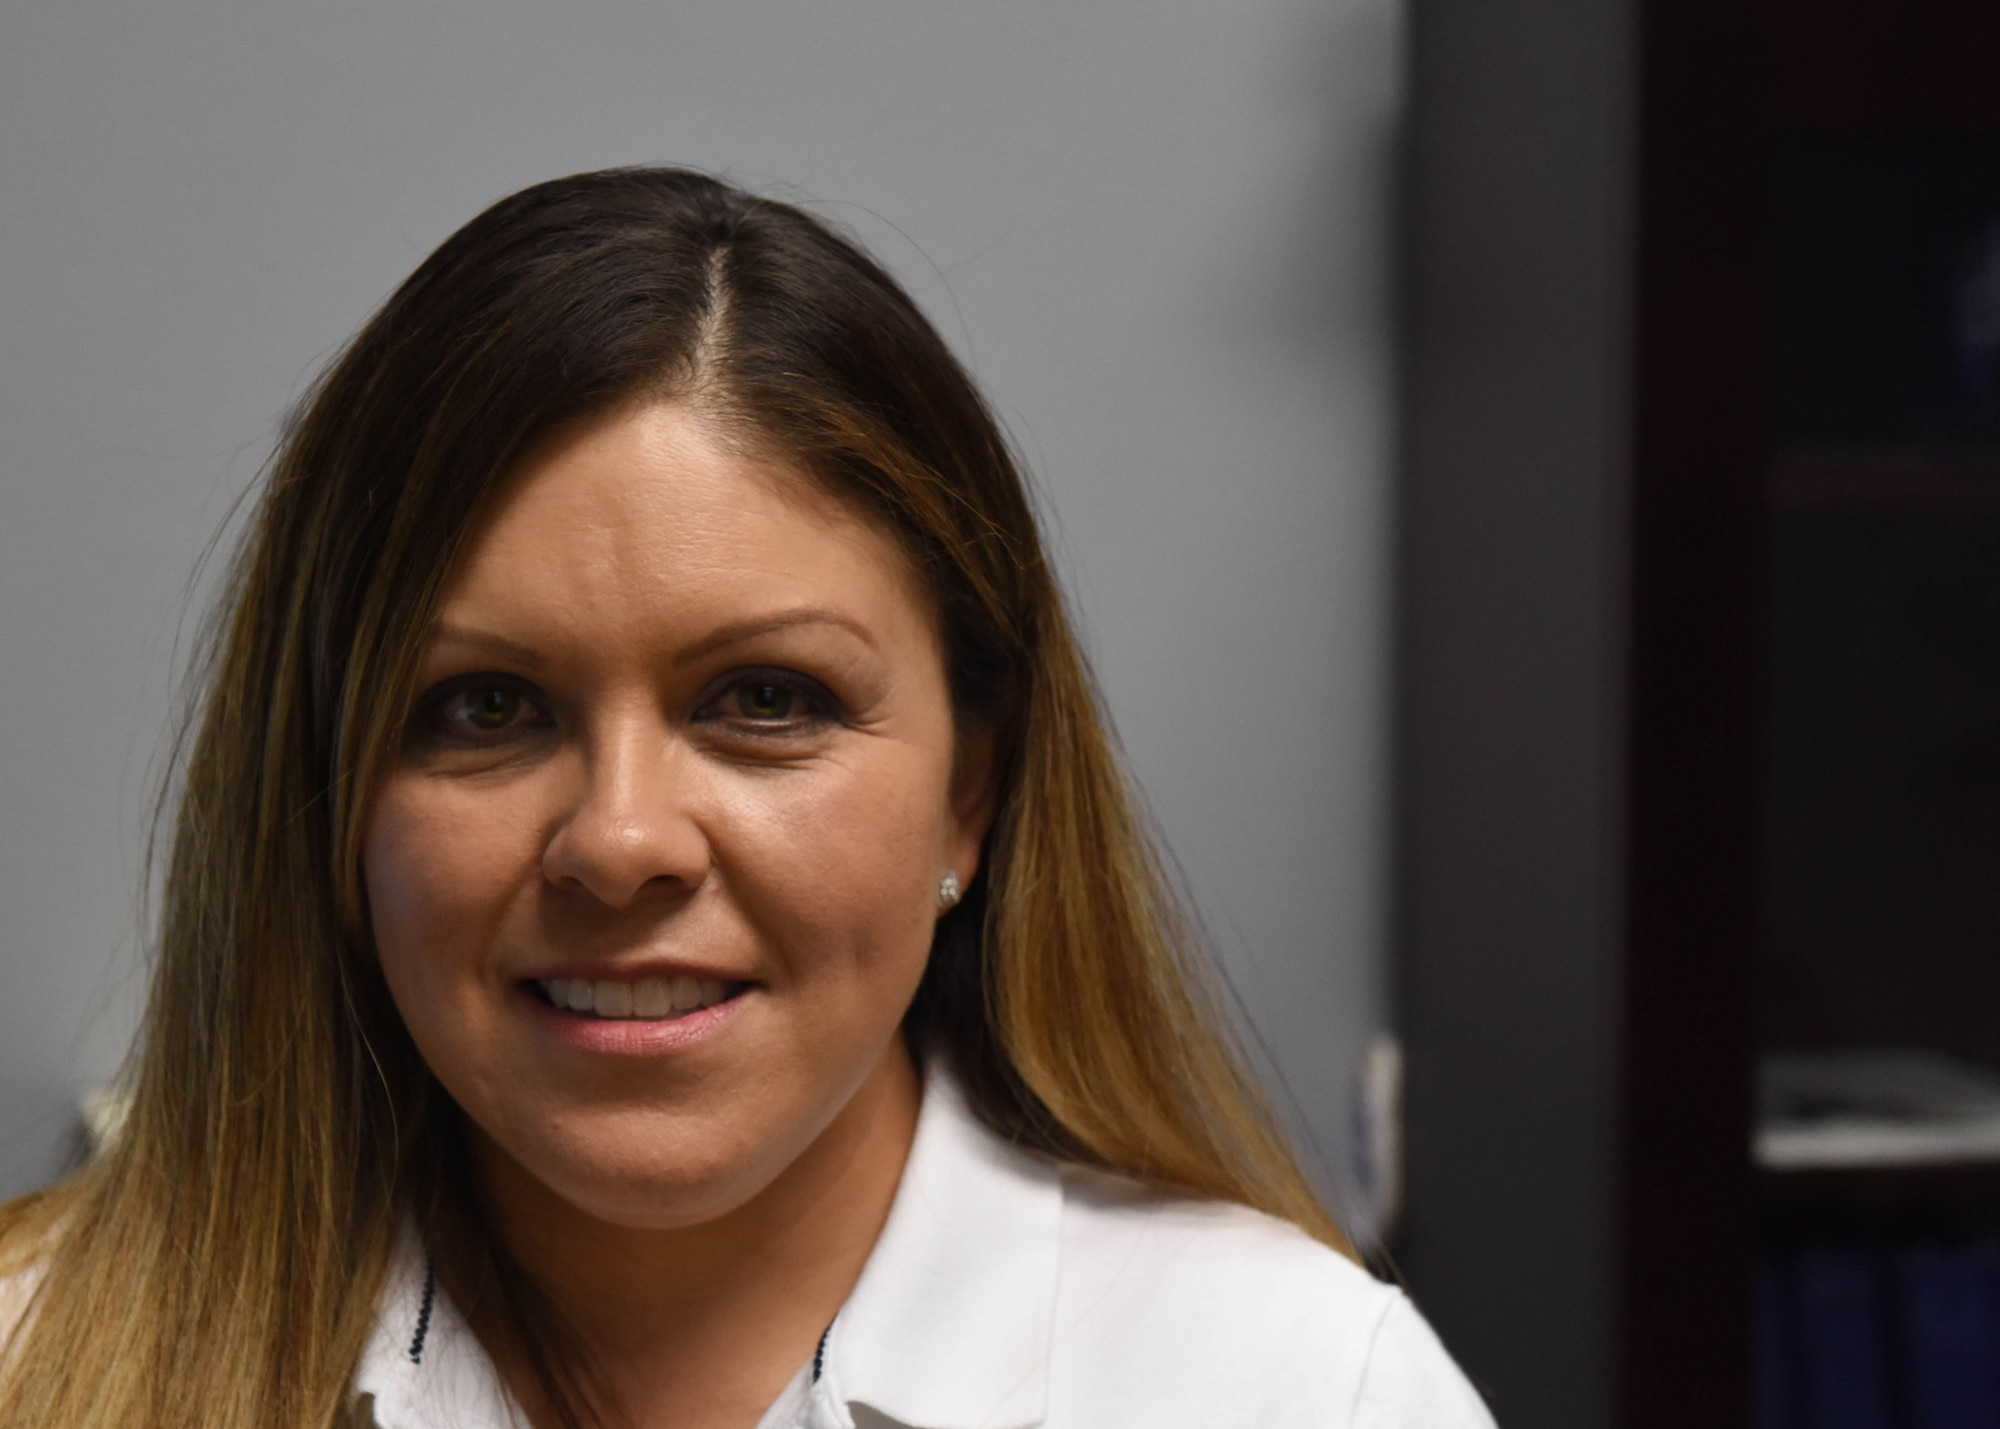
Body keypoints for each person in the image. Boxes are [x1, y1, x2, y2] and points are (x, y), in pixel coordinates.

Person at [0, 168, 1494, 1429]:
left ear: (970, 794)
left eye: (765, 700)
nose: (623, 840)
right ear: (330, 799)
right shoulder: (38, 1362)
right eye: (486, 707)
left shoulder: (1299, 1390)